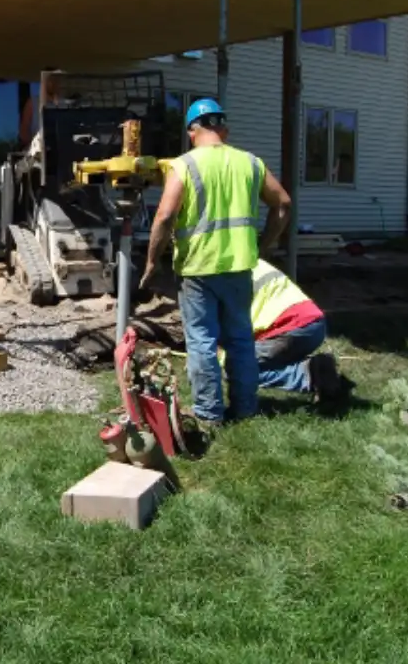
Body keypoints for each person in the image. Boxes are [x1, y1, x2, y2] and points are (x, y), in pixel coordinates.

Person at [139, 98, 291, 429]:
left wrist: (152, 261)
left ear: (192, 131)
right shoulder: (250, 163)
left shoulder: (185, 165)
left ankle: (209, 414)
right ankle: (246, 408)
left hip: (197, 270)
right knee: (240, 339)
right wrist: (265, 243)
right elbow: (283, 204)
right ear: (223, 128)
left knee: (201, 340)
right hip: (238, 267)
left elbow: (164, 216)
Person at [250, 257, 341, 401]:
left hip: (287, 329)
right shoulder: (250, 261)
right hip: (314, 323)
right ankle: (315, 368)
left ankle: (307, 376)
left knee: (236, 368)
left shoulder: (214, 278)